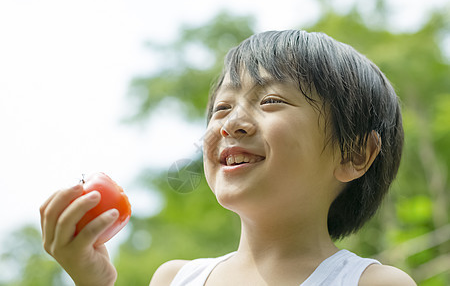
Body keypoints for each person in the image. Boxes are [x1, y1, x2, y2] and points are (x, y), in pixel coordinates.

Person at [40, 30, 417, 285]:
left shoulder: (373, 282)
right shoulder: (175, 278)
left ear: (354, 153)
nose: (232, 123)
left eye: (271, 101)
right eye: (221, 108)